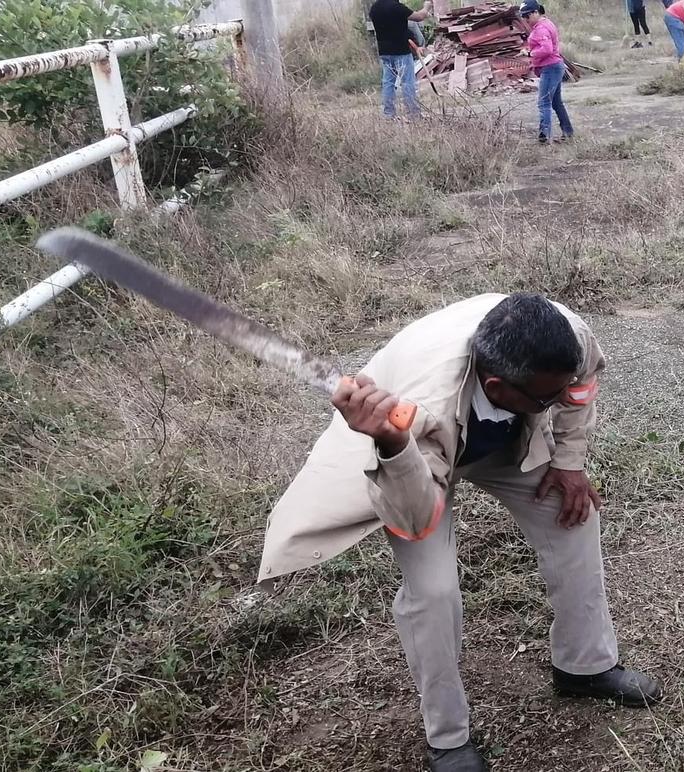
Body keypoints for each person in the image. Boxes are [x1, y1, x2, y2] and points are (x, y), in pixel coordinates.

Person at [256, 293, 663, 772]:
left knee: (573, 516)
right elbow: (415, 517)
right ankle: (448, 740)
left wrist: (569, 463)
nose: (558, 402)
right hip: (411, 453)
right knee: (433, 590)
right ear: (497, 385)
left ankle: (585, 667)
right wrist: (391, 439)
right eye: (545, 398)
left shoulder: (568, 340)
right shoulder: (420, 405)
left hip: (498, 438)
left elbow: (578, 388)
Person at [369, 0, 434, 120]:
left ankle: (388, 114)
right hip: (401, 51)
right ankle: (413, 114)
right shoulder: (396, 7)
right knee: (408, 82)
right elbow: (419, 17)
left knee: (388, 83)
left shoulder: (374, 8)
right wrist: (426, 7)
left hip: (384, 52)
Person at [522, 1, 574, 144]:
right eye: (523, 17)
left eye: (527, 16)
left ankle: (544, 137)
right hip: (554, 66)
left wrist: (531, 53)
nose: (525, 19)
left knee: (544, 102)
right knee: (556, 102)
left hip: (550, 67)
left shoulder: (540, 29)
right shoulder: (546, 23)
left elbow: (546, 49)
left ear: (535, 12)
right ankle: (568, 132)